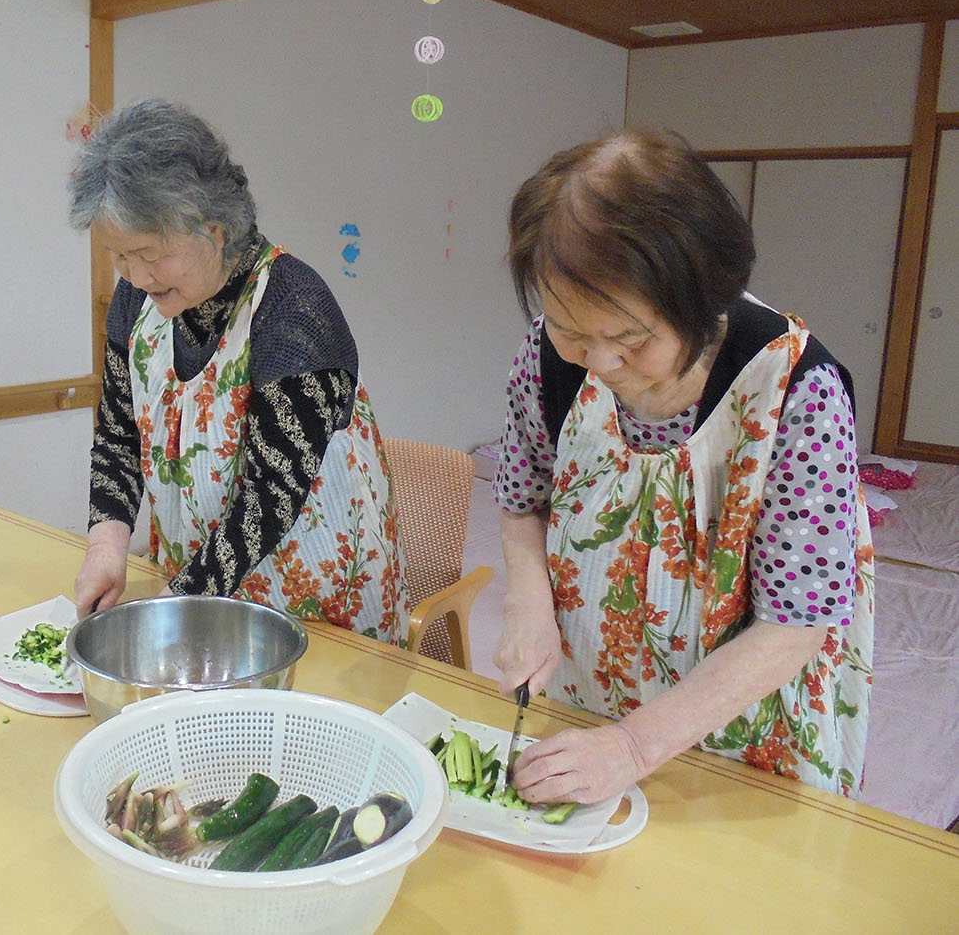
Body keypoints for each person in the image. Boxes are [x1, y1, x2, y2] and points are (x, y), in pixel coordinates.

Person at [492, 129, 874, 803]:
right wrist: (528, 603)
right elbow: (523, 494)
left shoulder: (795, 389)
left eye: (630, 339)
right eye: (571, 329)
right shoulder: (550, 354)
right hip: (594, 700)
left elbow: (797, 620)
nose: (599, 363)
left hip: (745, 725)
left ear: (703, 306)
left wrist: (636, 745)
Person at [68, 98, 409, 644]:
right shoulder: (137, 300)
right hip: (195, 594)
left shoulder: (294, 309)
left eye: (148, 253)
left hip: (312, 611)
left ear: (215, 229)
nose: (133, 274)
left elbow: (270, 496)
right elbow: (117, 437)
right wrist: (105, 549)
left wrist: (173, 608)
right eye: (117, 255)